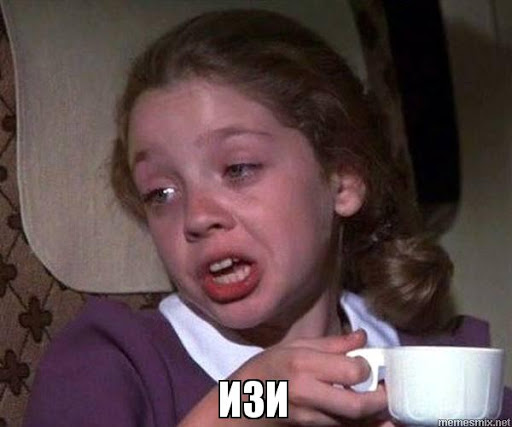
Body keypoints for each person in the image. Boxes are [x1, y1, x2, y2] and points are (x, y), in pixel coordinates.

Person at [24, 9, 511, 426]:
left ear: (342, 180)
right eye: (161, 193)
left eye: (238, 169)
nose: (197, 216)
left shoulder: (440, 366)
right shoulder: (112, 365)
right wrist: (248, 402)